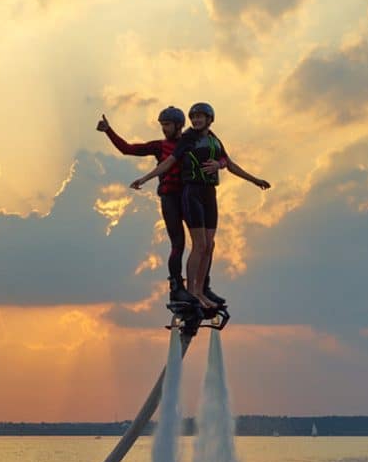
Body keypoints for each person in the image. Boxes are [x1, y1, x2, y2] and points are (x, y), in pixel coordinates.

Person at [130, 102, 270, 308]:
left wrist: (255, 180)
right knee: (200, 245)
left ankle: (201, 289)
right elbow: (168, 162)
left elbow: (229, 163)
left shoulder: (214, 139)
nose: (195, 120)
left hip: (209, 194)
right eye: (193, 117)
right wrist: (144, 179)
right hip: (192, 193)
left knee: (210, 245)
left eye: (199, 117)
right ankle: (193, 292)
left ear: (209, 119)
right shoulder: (187, 138)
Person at [97, 107, 196, 303]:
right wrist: (109, 130)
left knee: (202, 244)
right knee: (178, 244)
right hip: (170, 199)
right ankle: (176, 287)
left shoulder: (191, 142)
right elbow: (128, 149)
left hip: (190, 197)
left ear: (178, 125)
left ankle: (201, 287)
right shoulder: (159, 146)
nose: (164, 129)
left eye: (167, 125)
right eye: (162, 125)